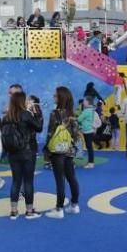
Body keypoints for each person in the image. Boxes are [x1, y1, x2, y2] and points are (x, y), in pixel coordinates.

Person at [1, 91, 43, 219]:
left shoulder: (6, 117)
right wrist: (35, 113)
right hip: (27, 152)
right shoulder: (26, 115)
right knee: (28, 181)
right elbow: (39, 127)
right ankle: (29, 211)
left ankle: (14, 211)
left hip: (13, 153)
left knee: (16, 181)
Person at [45, 86, 82, 218]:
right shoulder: (73, 114)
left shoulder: (54, 114)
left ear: (60, 98)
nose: (53, 97)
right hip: (69, 150)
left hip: (57, 151)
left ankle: (59, 209)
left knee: (59, 180)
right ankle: (74, 205)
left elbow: (50, 133)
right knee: (71, 177)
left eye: (55, 96)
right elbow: (77, 135)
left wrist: (47, 150)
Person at [78, 97, 97, 168]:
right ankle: (90, 162)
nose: (83, 102)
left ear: (88, 102)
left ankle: (91, 163)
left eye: (84, 101)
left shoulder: (87, 111)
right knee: (89, 147)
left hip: (87, 131)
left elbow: (79, 119)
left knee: (89, 147)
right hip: (89, 130)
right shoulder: (90, 110)